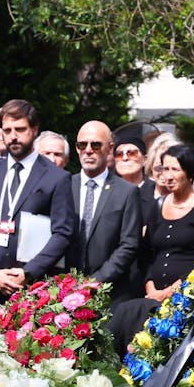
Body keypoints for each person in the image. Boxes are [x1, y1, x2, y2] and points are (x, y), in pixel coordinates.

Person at [109, 144, 194, 353]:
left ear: (189, 173)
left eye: (174, 170)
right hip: (151, 294)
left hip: (185, 295)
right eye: (164, 169)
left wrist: (169, 292)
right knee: (123, 318)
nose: (168, 176)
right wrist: (151, 287)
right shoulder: (157, 205)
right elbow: (146, 254)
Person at [0, 99, 77, 300]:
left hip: (36, 287)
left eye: (20, 129)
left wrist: (28, 272)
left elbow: (63, 233)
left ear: (34, 130)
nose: (13, 136)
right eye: (7, 131)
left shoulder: (56, 177)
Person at [70, 120, 142, 296]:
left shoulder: (126, 192)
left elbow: (129, 244)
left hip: (110, 292)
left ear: (110, 149)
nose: (88, 150)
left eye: (95, 145)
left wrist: (96, 281)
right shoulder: (64, 186)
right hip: (65, 289)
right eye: (82, 145)